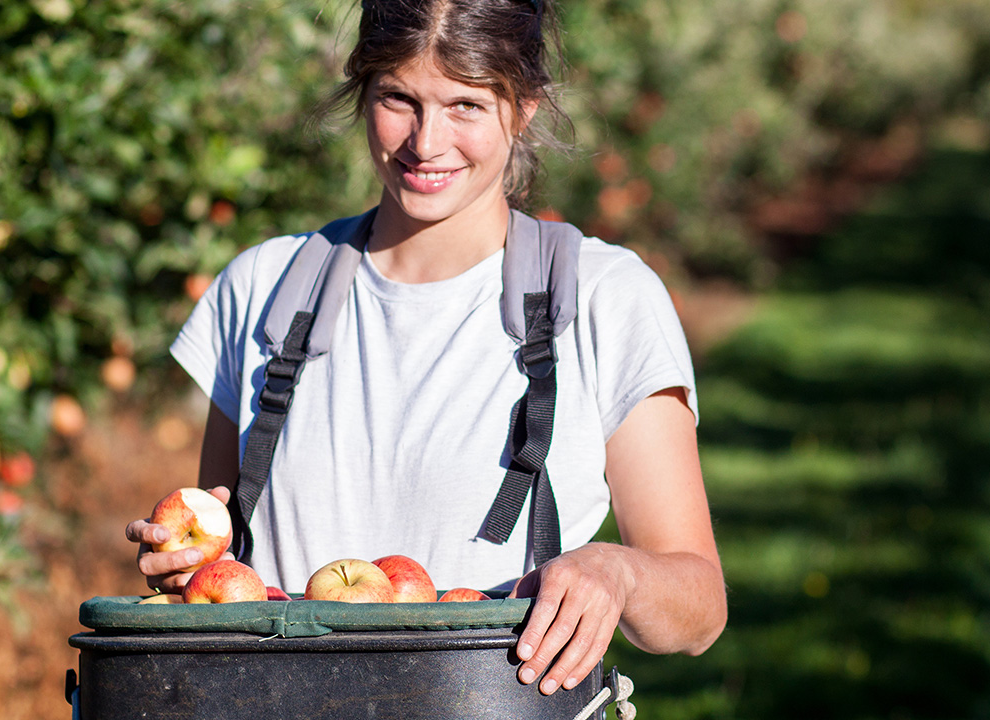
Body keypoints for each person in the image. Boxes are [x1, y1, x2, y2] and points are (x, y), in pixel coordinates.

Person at [123, 0, 727, 698]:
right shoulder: (265, 289)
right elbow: (223, 550)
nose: (426, 141)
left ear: (525, 105)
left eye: (466, 105)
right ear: (362, 90)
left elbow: (698, 608)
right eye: (399, 99)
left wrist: (616, 573)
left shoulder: (601, 297)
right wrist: (189, 553)